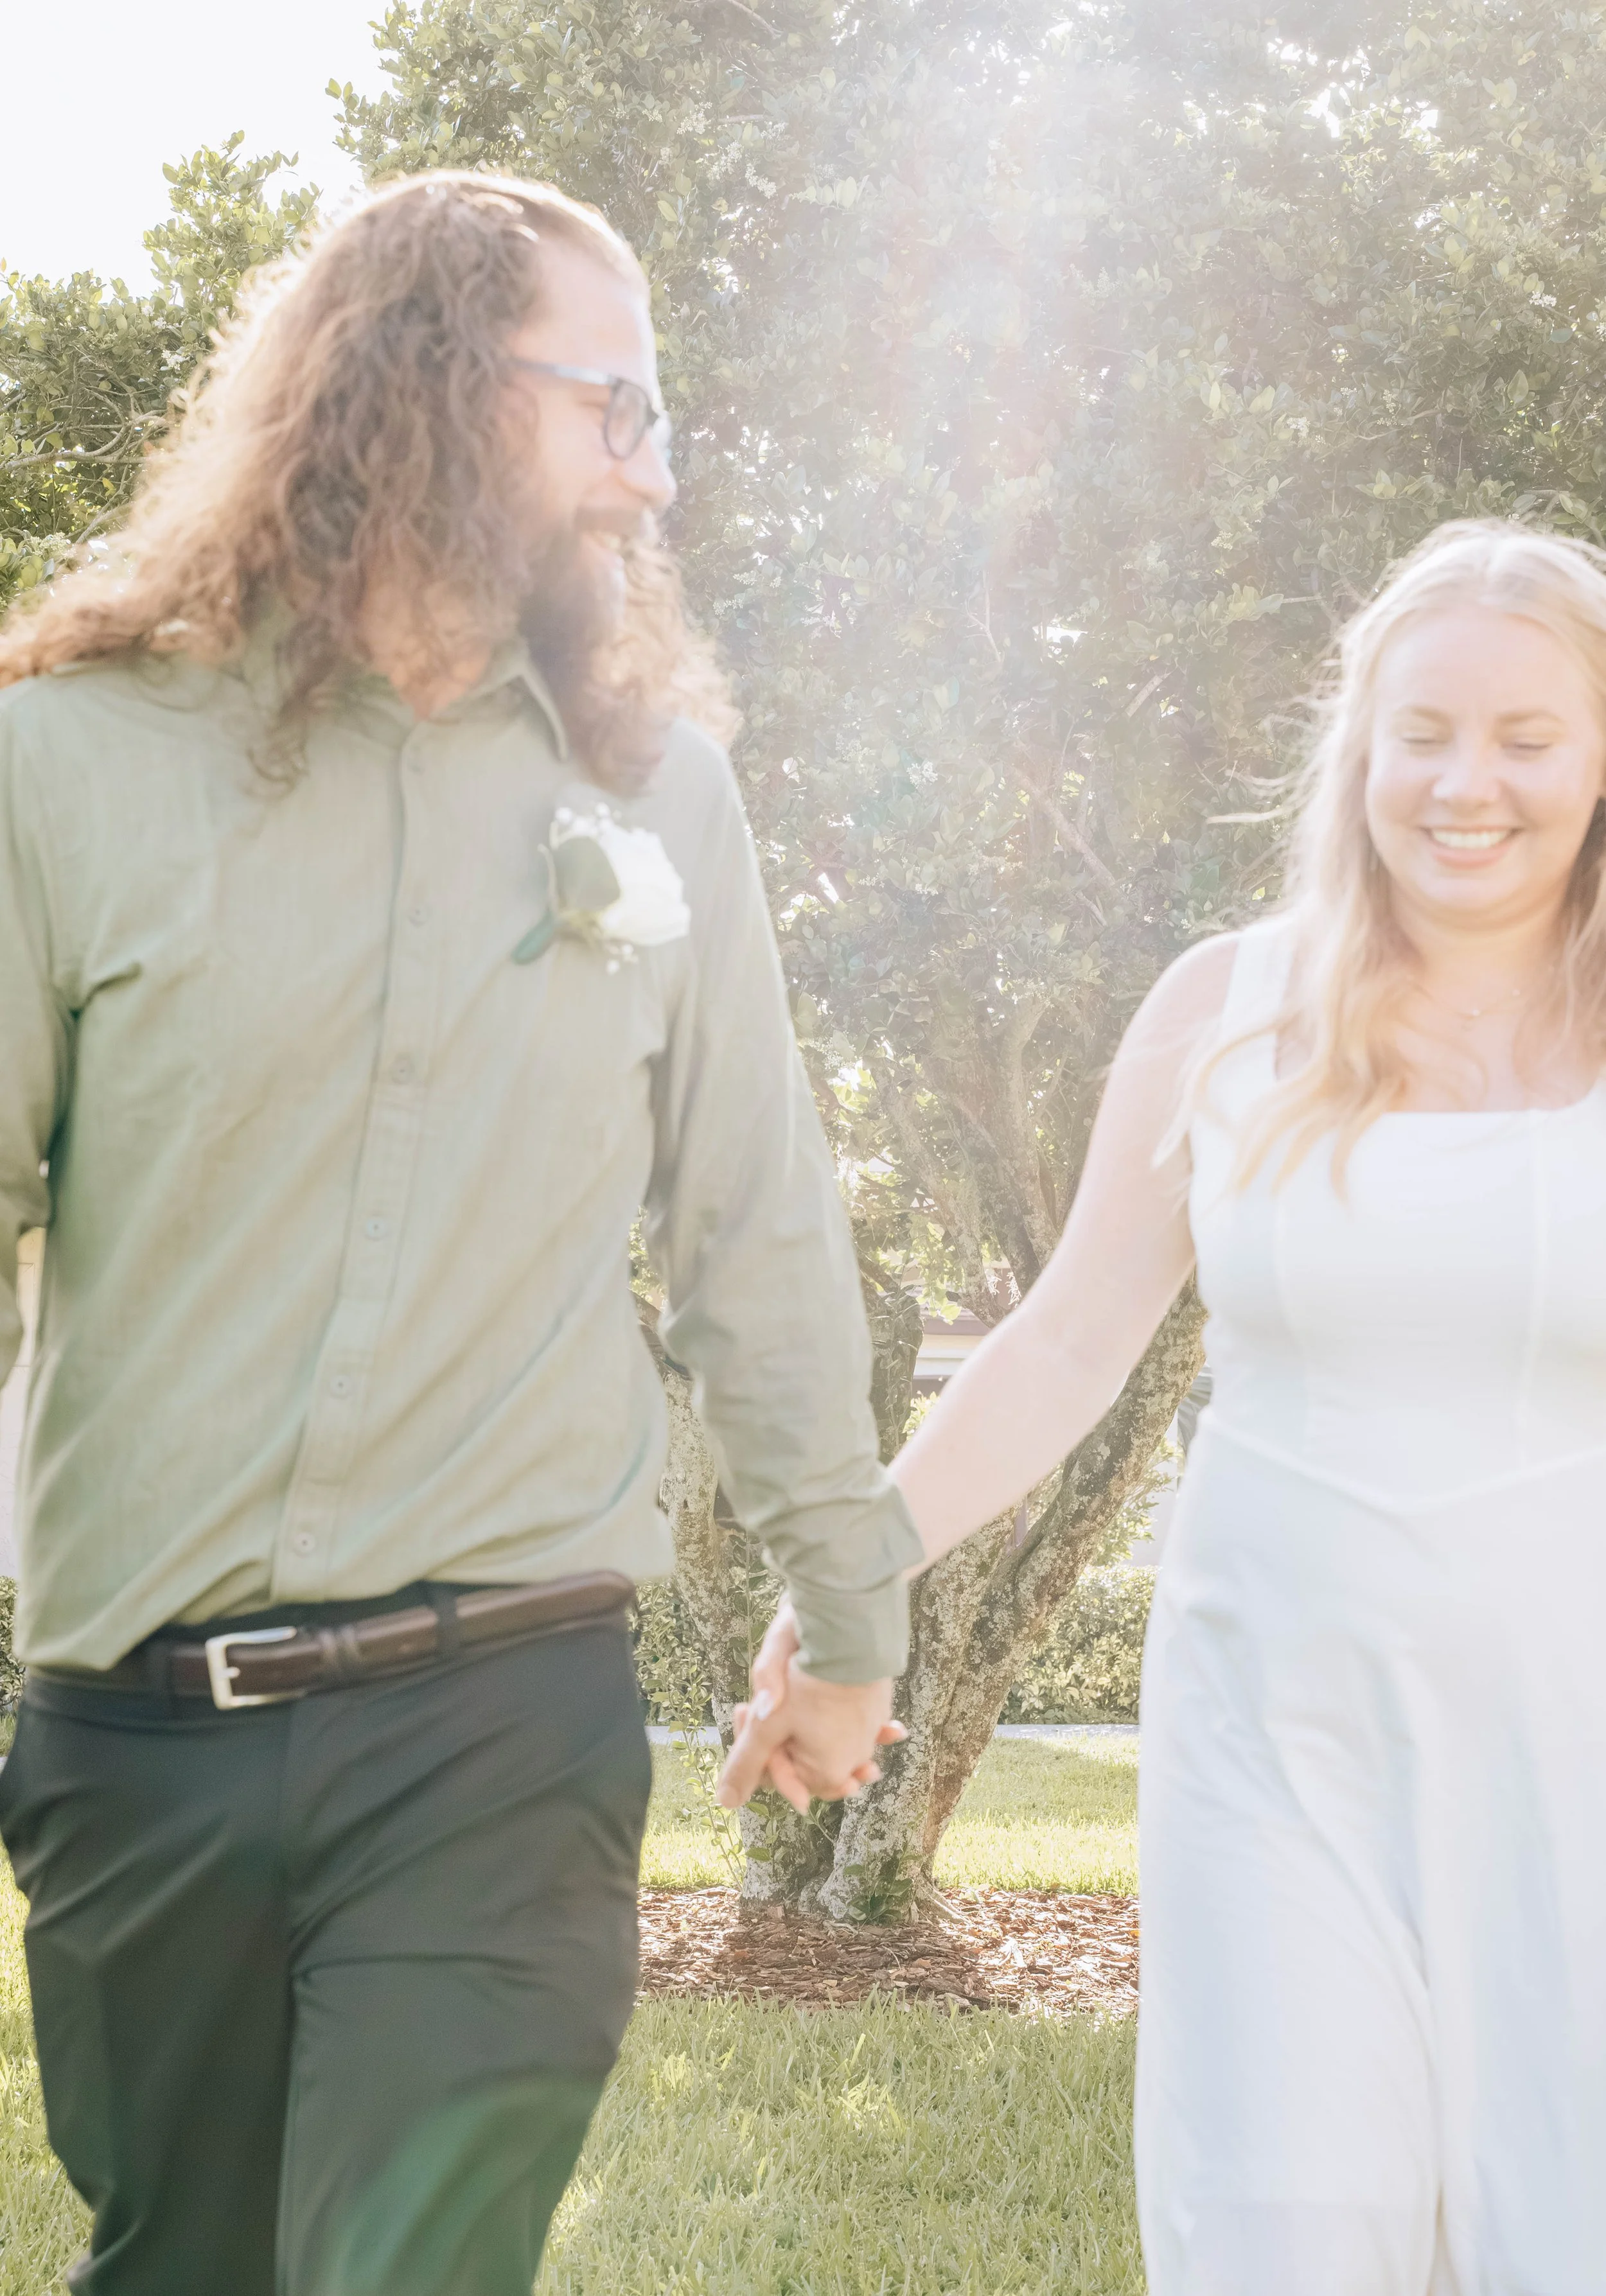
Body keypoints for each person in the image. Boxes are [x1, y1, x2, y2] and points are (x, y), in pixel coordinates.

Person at [0, 171, 918, 2296]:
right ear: (419, 382)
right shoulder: (66, 767)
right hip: (141, 1738)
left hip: (506, 1713)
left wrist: (849, 1610)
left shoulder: (659, 796)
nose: (648, 466)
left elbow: (754, 1225)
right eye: (612, 399)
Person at [722, 519, 1606, 2293]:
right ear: (1358, 743)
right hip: (1276, 1720)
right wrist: (849, 1579)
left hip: (1572, 1720)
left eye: (1528, 737)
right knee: (1283, 2220)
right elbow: (1061, 1343)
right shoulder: (1227, 1006)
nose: (1464, 784)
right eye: (1421, 729)